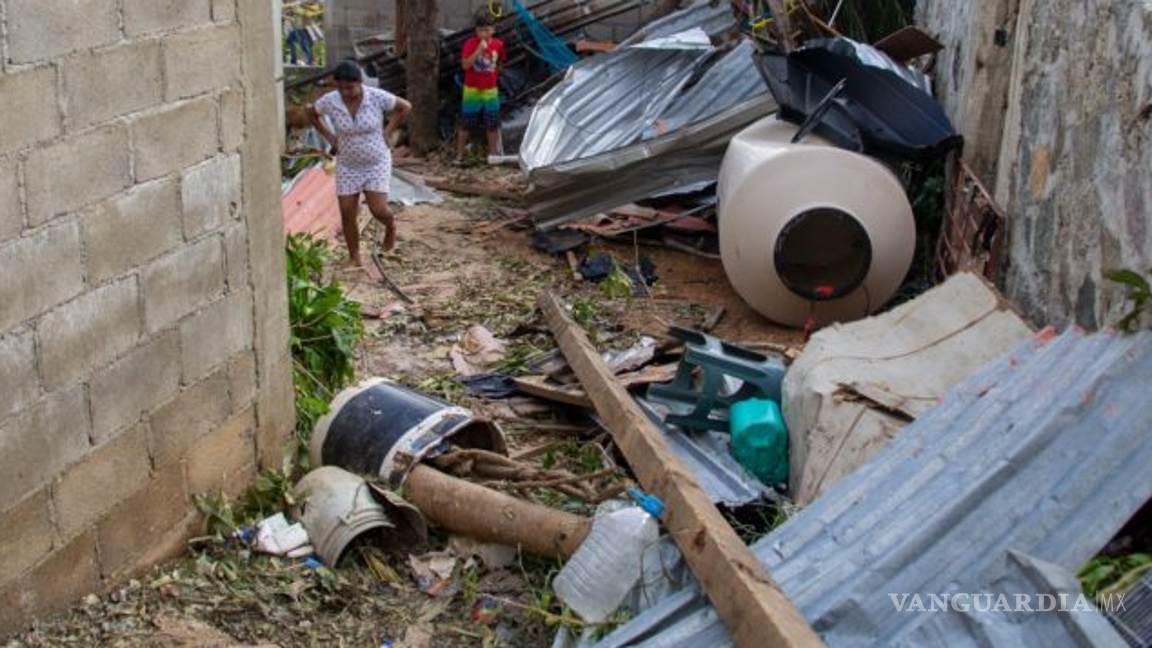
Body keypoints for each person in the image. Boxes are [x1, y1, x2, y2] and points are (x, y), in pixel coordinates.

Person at [306, 59, 411, 265]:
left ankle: (390, 227)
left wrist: (388, 130)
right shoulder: (331, 100)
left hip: (376, 161)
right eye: (341, 87)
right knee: (347, 212)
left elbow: (405, 107)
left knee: (378, 210)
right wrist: (330, 137)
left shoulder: (376, 97)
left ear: (360, 82)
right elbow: (310, 111)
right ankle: (354, 257)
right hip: (347, 164)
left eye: (350, 87)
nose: (345, 92)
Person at [456, 12, 505, 165]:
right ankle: (459, 156)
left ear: (493, 30)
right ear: (475, 31)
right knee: (466, 124)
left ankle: (493, 156)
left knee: (493, 124)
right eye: (479, 30)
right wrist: (478, 50)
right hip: (472, 90)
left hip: (490, 90)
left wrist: (494, 77)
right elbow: (465, 66)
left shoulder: (499, 44)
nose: (483, 34)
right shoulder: (470, 44)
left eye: (486, 30)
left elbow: (500, 63)